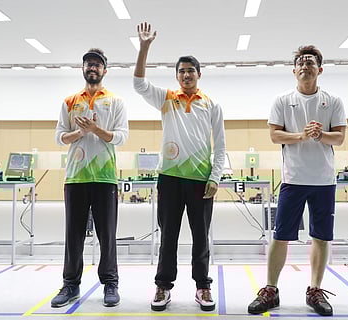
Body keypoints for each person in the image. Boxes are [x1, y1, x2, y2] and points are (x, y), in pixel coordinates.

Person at [247, 45, 347, 316]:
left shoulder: (333, 101)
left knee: (321, 237)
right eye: (301, 62)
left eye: (311, 62)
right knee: (281, 237)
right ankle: (270, 290)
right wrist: (301, 136)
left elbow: (339, 137)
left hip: (323, 181)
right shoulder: (282, 100)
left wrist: (320, 135)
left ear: (320, 69)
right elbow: (275, 136)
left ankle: (314, 290)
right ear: (294, 71)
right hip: (293, 179)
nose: (305, 66)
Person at [133, 22, 226, 312]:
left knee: (201, 237)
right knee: (168, 235)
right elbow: (138, 84)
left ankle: (203, 287)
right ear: (176, 76)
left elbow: (220, 145)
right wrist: (145, 46)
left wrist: (215, 176)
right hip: (170, 179)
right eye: (181, 71)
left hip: (201, 181)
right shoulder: (167, 99)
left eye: (191, 71)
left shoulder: (211, 105)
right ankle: (163, 286)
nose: (186, 75)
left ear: (199, 75)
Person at [52, 48, 128, 308]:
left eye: (97, 64)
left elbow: (121, 136)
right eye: (88, 64)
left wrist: (96, 129)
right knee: (73, 234)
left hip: (105, 178)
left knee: (107, 234)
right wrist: (79, 133)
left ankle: (110, 283)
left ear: (104, 70)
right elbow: (59, 137)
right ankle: (70, 284)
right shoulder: (70, 101)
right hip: (75, 177)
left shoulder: (115, 101)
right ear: (82, 68)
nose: (92, 68)